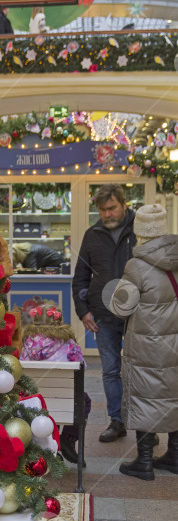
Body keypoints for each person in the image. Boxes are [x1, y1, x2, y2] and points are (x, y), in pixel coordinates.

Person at [109, 204, 178, 480]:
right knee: (174, 395)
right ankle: (174, 455)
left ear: (140, 230)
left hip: (148, 347)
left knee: (144, 396)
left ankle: (144, 462)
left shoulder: (136, 266)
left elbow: (120, 308)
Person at [72, 184, 136, 443]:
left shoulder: (139, 231)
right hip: (103, 316)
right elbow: (80, 278)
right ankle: (117, 421)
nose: (107, 214)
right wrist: (83, 312)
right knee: (110, 370)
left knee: (141, 371)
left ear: (124, 204)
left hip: (138, 316)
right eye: (102, 210)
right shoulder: (92, 234)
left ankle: (145, 427)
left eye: (112, 208)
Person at [20, 302, 90, 465]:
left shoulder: (28, 345)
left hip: (35, 402)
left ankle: (49, 445)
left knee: (49, 397)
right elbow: (81, 368)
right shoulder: (69, 344)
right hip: (64, 403)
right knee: (84, 400)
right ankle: (67, 439)